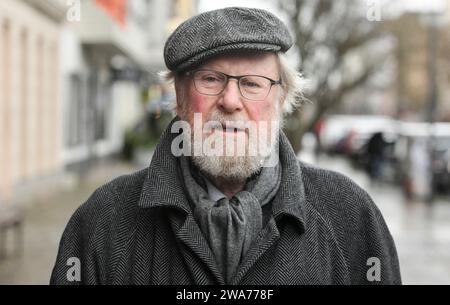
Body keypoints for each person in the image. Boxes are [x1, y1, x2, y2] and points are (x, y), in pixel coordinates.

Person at [50, 7, 401, 285]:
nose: (230, 100)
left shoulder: (351, 218)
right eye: (210, 80)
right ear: (180, 97)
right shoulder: (103, 222)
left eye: (251, 83)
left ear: (281, 99)